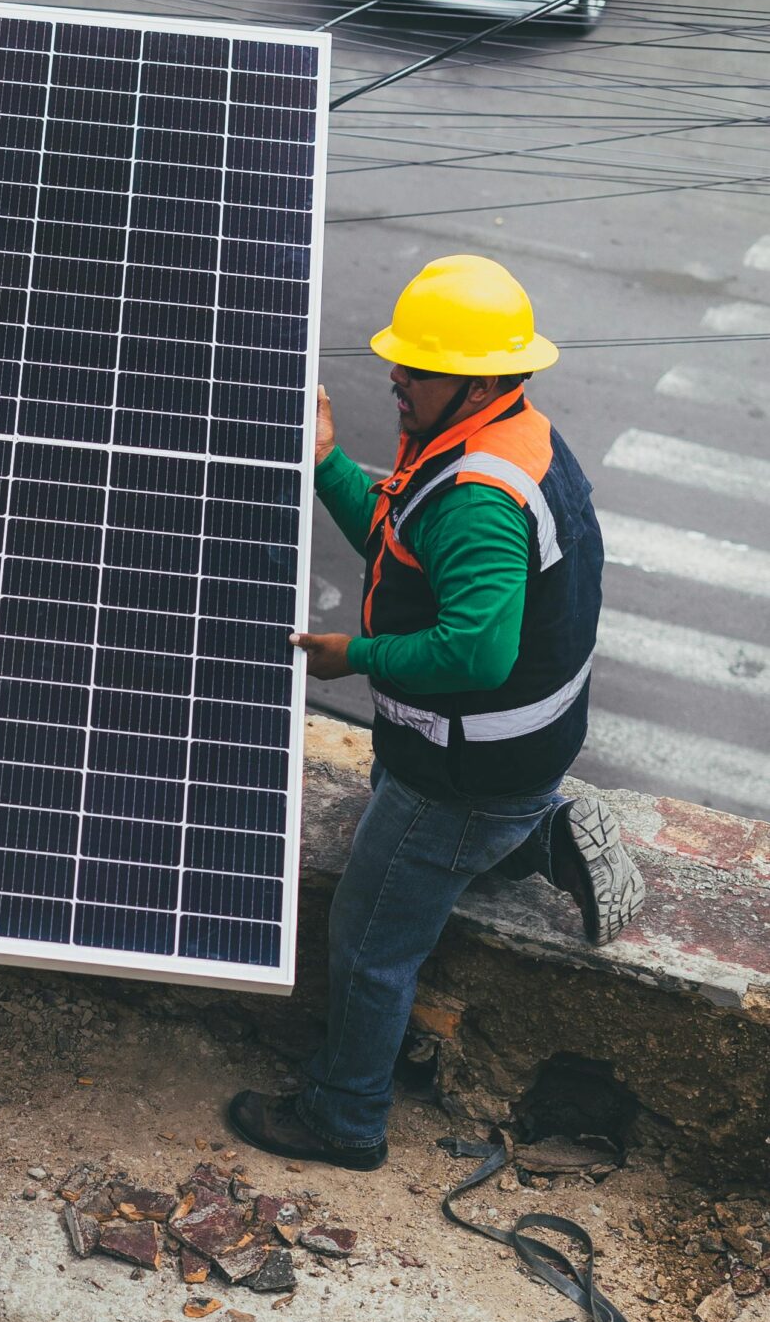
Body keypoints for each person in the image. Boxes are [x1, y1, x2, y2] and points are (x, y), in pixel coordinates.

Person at [230, 254, 645, 1175]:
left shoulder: (480, 499)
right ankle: (542, 837)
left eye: (417, 367)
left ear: (478, 379)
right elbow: (402, 545)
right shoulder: (512, 438)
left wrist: (356, 655)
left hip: (462, 774)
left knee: (370, 943)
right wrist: (329, 465)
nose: (395, 377)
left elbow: (473, 654)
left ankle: (345, 1117)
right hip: (504, 757)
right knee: (404, 822)